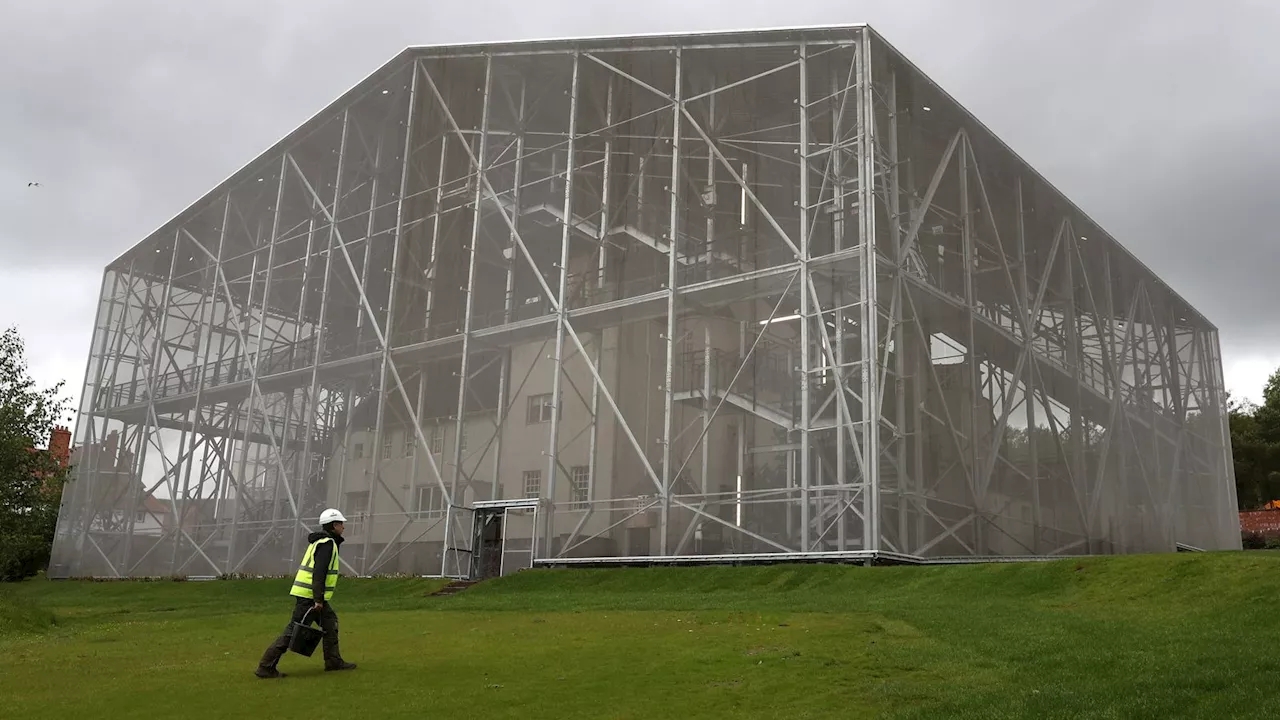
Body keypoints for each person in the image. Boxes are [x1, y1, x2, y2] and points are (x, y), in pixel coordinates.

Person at [254, 508, 358, 678]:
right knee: (294, 630)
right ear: (334, 525)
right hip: (310, 596)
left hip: (311, 595)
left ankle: (333, 661)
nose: (344, 527)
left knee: (330, 623)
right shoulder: (327, 544)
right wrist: (318, 599)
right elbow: (319, 572)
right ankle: (266, 666)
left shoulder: (323, 542)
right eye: (341, 523)